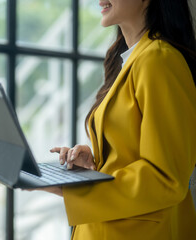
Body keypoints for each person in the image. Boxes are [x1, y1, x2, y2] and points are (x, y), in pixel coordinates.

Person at [36, 0, 196, 239]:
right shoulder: (131, 59)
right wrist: (95, 164)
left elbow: (166, 177)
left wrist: (70, 188)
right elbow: (133, 152)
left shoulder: (159, 59)